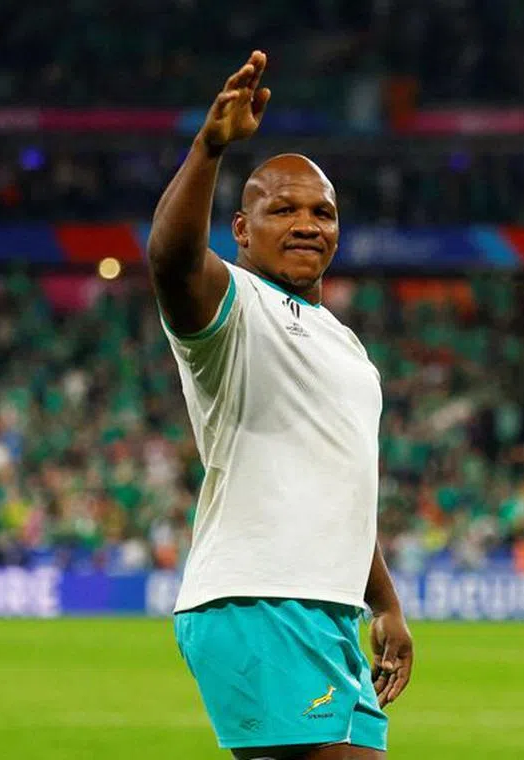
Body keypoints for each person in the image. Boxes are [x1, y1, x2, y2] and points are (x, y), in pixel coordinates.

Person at [147, 51, 414, 760]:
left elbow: (340, 486)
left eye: (323, 212)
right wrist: (209, 148)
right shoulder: (234, 306)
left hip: (329, 609)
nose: (306, 224)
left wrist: (384, 602)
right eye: (283, 209)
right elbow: (170, 260)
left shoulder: (346, 344)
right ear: (241, 229)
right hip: (259, 597)